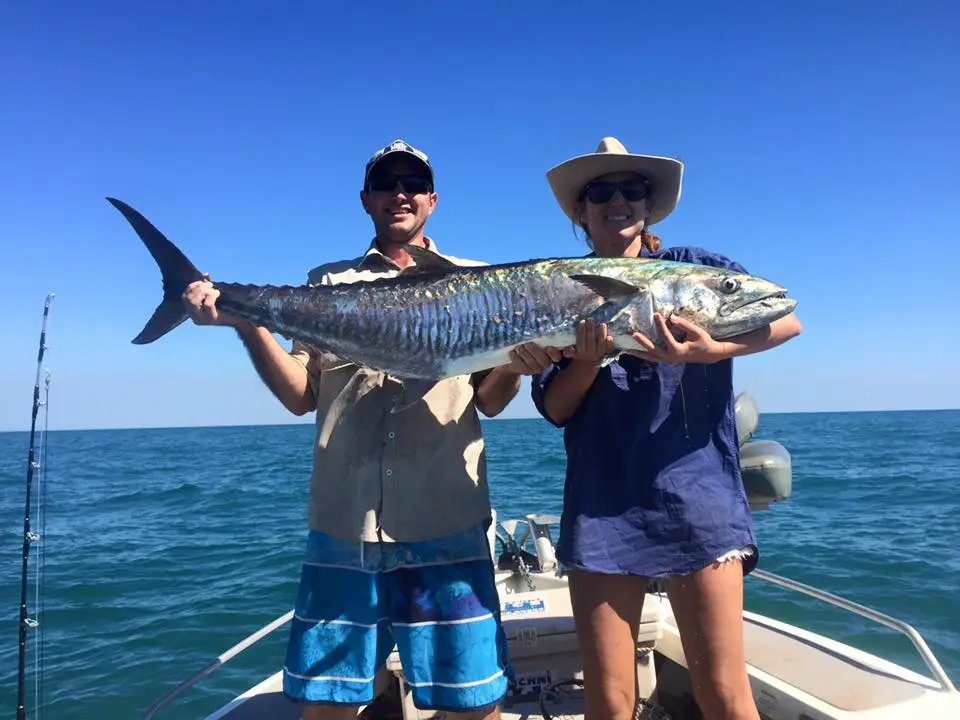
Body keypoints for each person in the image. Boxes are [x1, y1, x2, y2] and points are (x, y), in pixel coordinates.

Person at [180, 139, 560, 720]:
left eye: (413, 184)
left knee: (471, 704)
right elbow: (300, 395)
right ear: (367, 200)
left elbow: (489, 399)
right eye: (387, 183)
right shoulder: (327, 285)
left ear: (432, 200)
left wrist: (512, 362)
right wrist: (244, 323)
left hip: (446, 521)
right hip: (345, 524)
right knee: (327, 705)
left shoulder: (481, 283)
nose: (399, 193)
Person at [530, 137, 803, 720]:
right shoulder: (552, 289)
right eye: (600, 191)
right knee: (609, 699)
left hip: (698, 492)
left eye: (632, 189)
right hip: (603, 501)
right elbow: (557, 408)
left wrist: (711, 351)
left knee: (726, 694)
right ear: (580, 211)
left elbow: (785, 317)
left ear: (649, 205)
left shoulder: (700, 271)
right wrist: (583, 358)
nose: (618, 201)